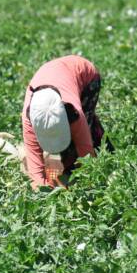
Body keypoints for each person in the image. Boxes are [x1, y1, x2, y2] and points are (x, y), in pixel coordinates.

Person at [22, 55, 107, 189]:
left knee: (85, 134)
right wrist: (42, 190)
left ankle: (107, 152)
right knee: (65, 156)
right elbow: (35, 171)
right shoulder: (29, 120)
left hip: (85, 75)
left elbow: (85, 151)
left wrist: (90, 184)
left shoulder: (73, 112)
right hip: (56, 75)